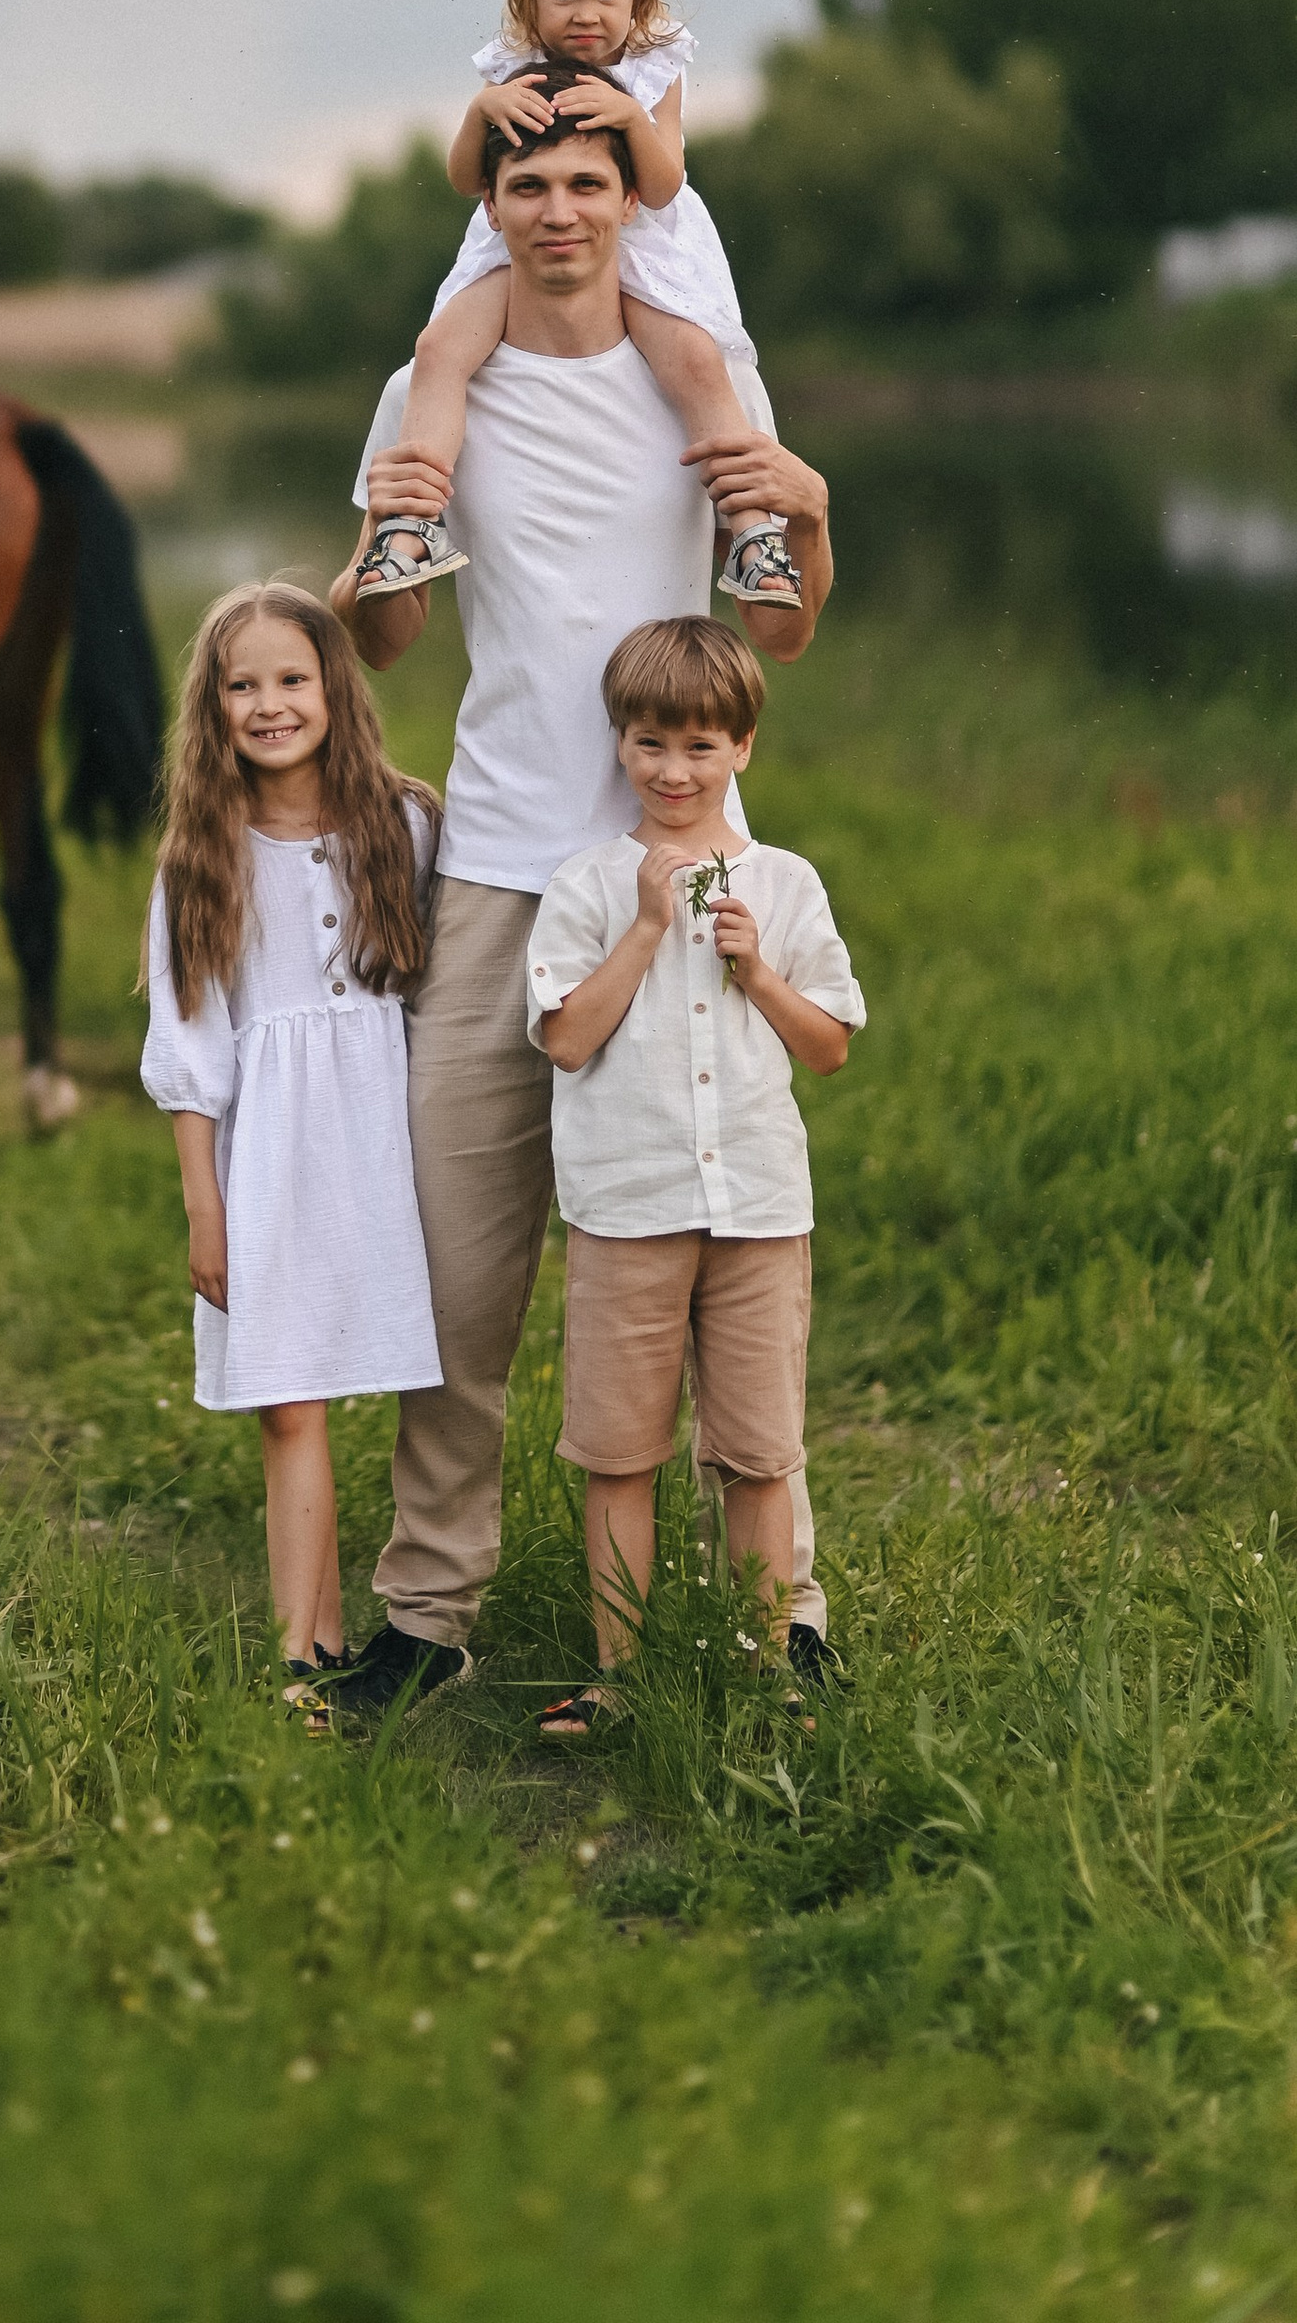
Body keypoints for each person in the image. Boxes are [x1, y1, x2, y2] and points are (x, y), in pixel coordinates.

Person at [326, 84, 835, 1730]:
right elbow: (384, 641)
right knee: (458, 1272)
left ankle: (784, 1616)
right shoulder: (435, 382)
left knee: (723, 1258)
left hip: (675, 876)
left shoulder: (700, 368)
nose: (558, 209)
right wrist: (371, 556)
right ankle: (427, 1612)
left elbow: (783, 631)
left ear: (631, 201)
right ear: (493, 205)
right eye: (528, 182)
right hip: (495, 873)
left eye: (587, 181)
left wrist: (810, 510)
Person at [525, 617, 863, 1736]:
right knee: (618, 1451)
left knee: (759, 1452)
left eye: (700, 746)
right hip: (627, 1209)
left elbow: (828, 1046)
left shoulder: (786, 883)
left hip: (757, 1208)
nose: (674, 770)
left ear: (742, 748)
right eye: (650, 743)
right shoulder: (585, 886)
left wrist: (755, 968)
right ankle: (620, 1677)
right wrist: (644, 927)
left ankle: (767, 1669)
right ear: (620, 744)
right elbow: (566, 1039)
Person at [140, 581, 445, 1724]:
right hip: (266, 1151)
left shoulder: (404, 824)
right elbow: (188, 1043)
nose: (269, 704)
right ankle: (304, 1652)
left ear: (333, 688)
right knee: (286, 1398)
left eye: (290, 679)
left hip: (383, 1141)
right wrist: (204, 1205)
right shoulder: (200, 856)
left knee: (404, 1380)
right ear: (213, 707)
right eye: (242, 684)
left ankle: (389, 1623)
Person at [350, 0, 800, 614]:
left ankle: (754, 536)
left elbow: (661, 186)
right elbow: (467, 179)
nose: (586, 15)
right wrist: (481, 112)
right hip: (516, 255)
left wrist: (629, 119)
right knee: (438, 350)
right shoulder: (508, 69)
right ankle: (410, 522)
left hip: (642, 251)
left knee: (696, 361)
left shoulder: (654, 70)